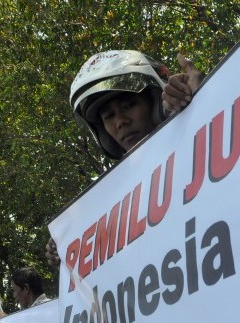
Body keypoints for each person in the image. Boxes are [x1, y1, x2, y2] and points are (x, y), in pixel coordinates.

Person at [46, 50, 202, 266]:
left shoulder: (196, 138)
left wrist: (201, 100)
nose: (120, 122)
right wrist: (71, 247)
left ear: (156, 102)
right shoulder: (113, 202)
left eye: (129, 106)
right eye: (109, 116)